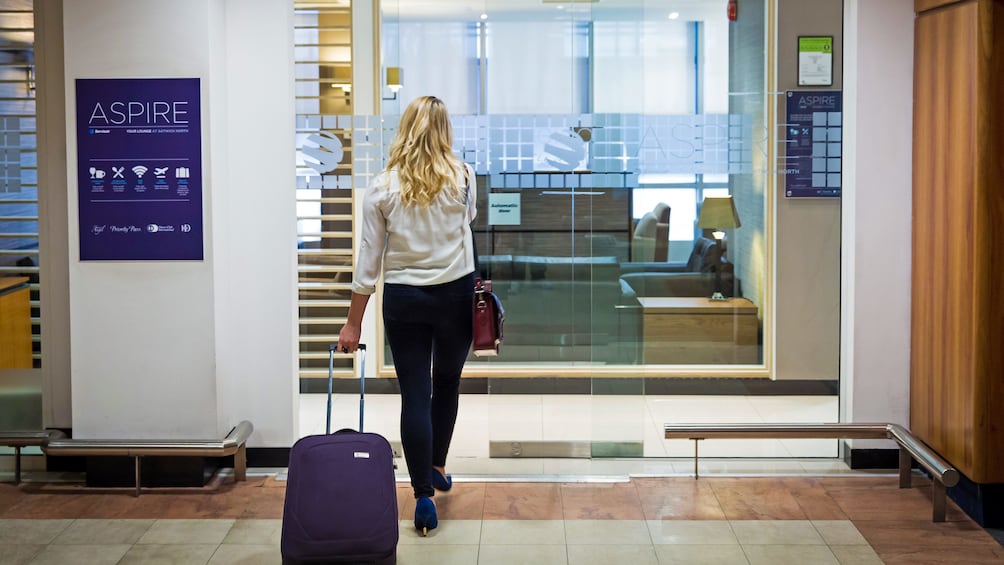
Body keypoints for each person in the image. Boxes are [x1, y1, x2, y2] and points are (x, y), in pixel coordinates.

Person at [336, 95, 475, 536]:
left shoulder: (382, 186)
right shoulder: (464, 178)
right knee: (447, 383)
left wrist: (353, 321)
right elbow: (467, 223)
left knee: (416, 392)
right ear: (444, 132)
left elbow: (368, 260)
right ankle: (436, 466)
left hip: (404, 299)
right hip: (454, 296)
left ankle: (422, 499)